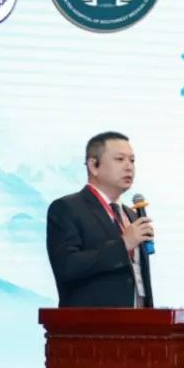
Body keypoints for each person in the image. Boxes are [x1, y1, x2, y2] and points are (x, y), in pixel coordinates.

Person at [46, 131, 155, 307]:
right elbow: (67, 266)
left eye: (132, 160)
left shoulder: (131, 215)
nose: (129, 167)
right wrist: (123, 244)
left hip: (137, 320)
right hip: (90, 321)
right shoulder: (67, 208)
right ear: (93, 166)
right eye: (120, 159)